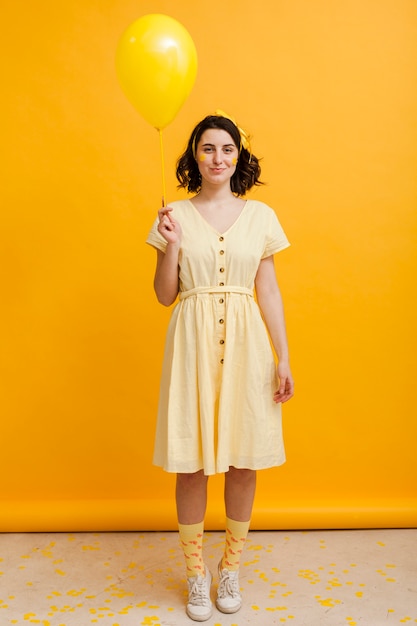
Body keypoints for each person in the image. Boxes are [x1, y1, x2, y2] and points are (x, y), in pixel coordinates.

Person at [146, 111, 294, 622]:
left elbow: (267, 289)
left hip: (249, 345)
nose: (218, 158)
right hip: (191, 344)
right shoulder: (174, 217)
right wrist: (172, 247)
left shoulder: (262, 216)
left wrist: (283, 355)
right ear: (194, 156)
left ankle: (229, 567)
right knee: (191, 462)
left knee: (243, 458)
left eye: (227, 149)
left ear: (239, 155)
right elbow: (166, 295)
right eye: (207, 149)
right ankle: (195, 573)